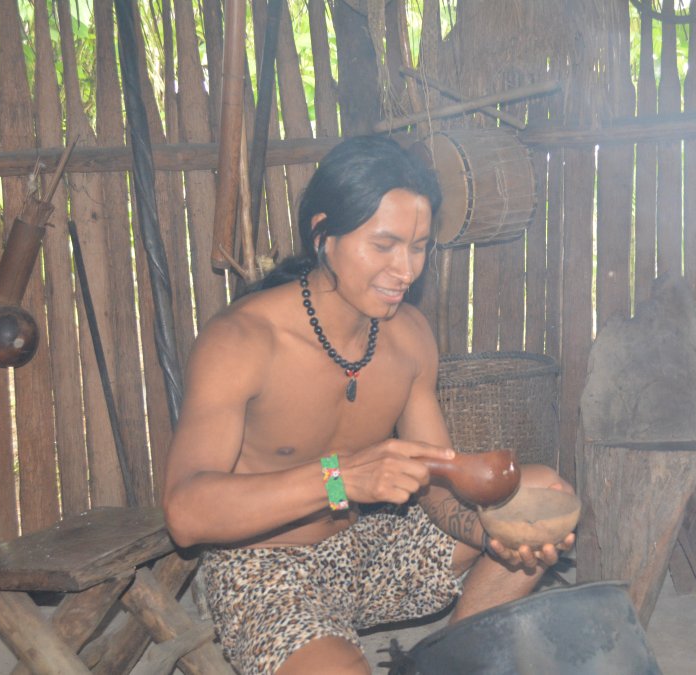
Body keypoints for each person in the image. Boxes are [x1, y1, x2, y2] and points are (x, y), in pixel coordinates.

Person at [162, 134, 575, 675]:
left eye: (419, 246)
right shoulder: (242, 341)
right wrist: (341, 478)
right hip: (263, 570)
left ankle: (453, 662)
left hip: (369, 551)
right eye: (384, 245)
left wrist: (492, 534)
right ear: (324, 234)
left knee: (540, 493)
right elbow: (186, 515)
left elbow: (439, 486)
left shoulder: (408, 338)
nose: (406, 270)